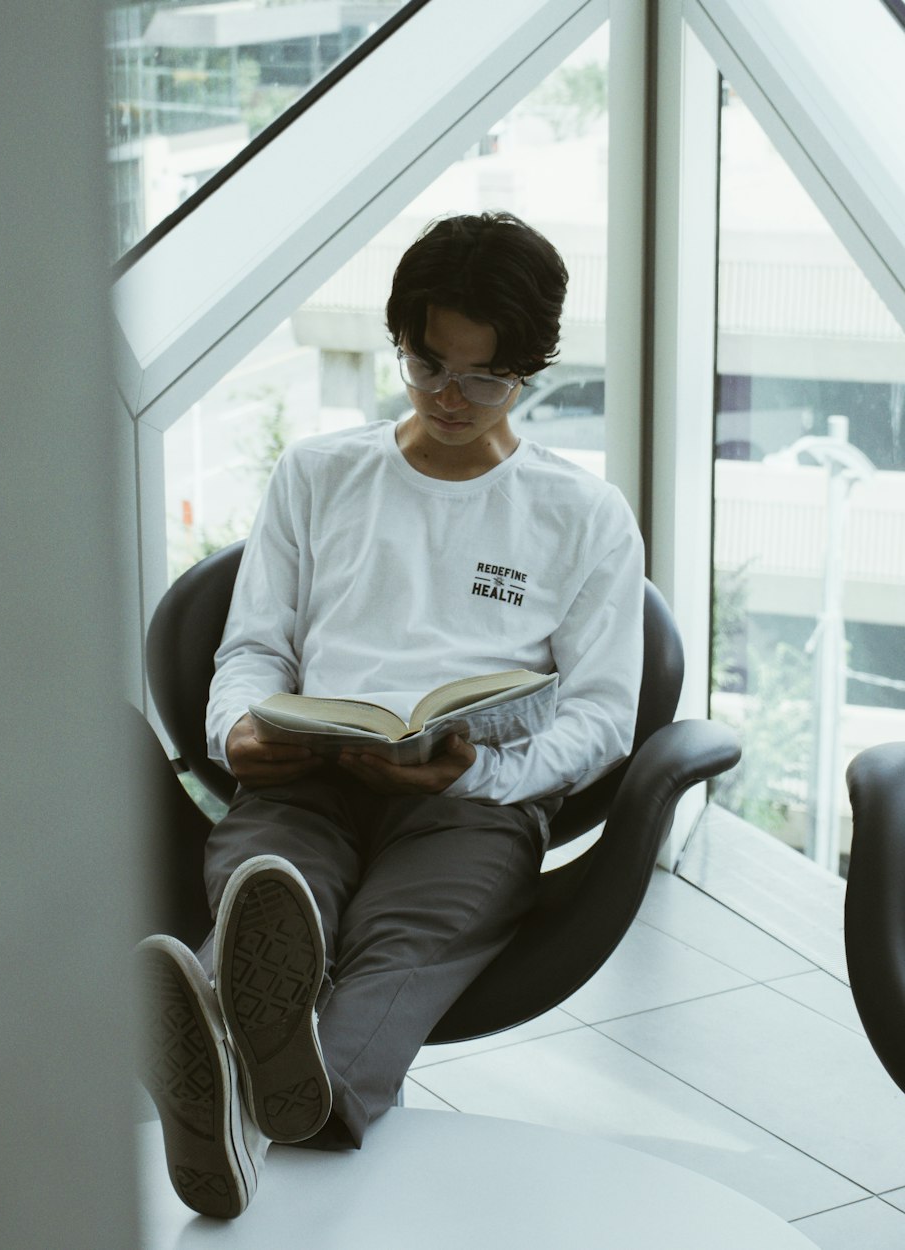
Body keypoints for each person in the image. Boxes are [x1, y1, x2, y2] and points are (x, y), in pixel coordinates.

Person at [137, 211, 645, 1220]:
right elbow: (251, 649)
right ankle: (253, 1052)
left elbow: (601, 715)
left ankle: (231, 1075)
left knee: (406, 938)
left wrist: (479, 777)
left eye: (482, 377)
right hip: (307, 770)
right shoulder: (320, 475)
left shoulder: (579, 513)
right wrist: (237, 728)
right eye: (427, 365)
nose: (450, 398)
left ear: (530, 370)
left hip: (468, 795)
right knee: (268, 884)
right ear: (401, 345)